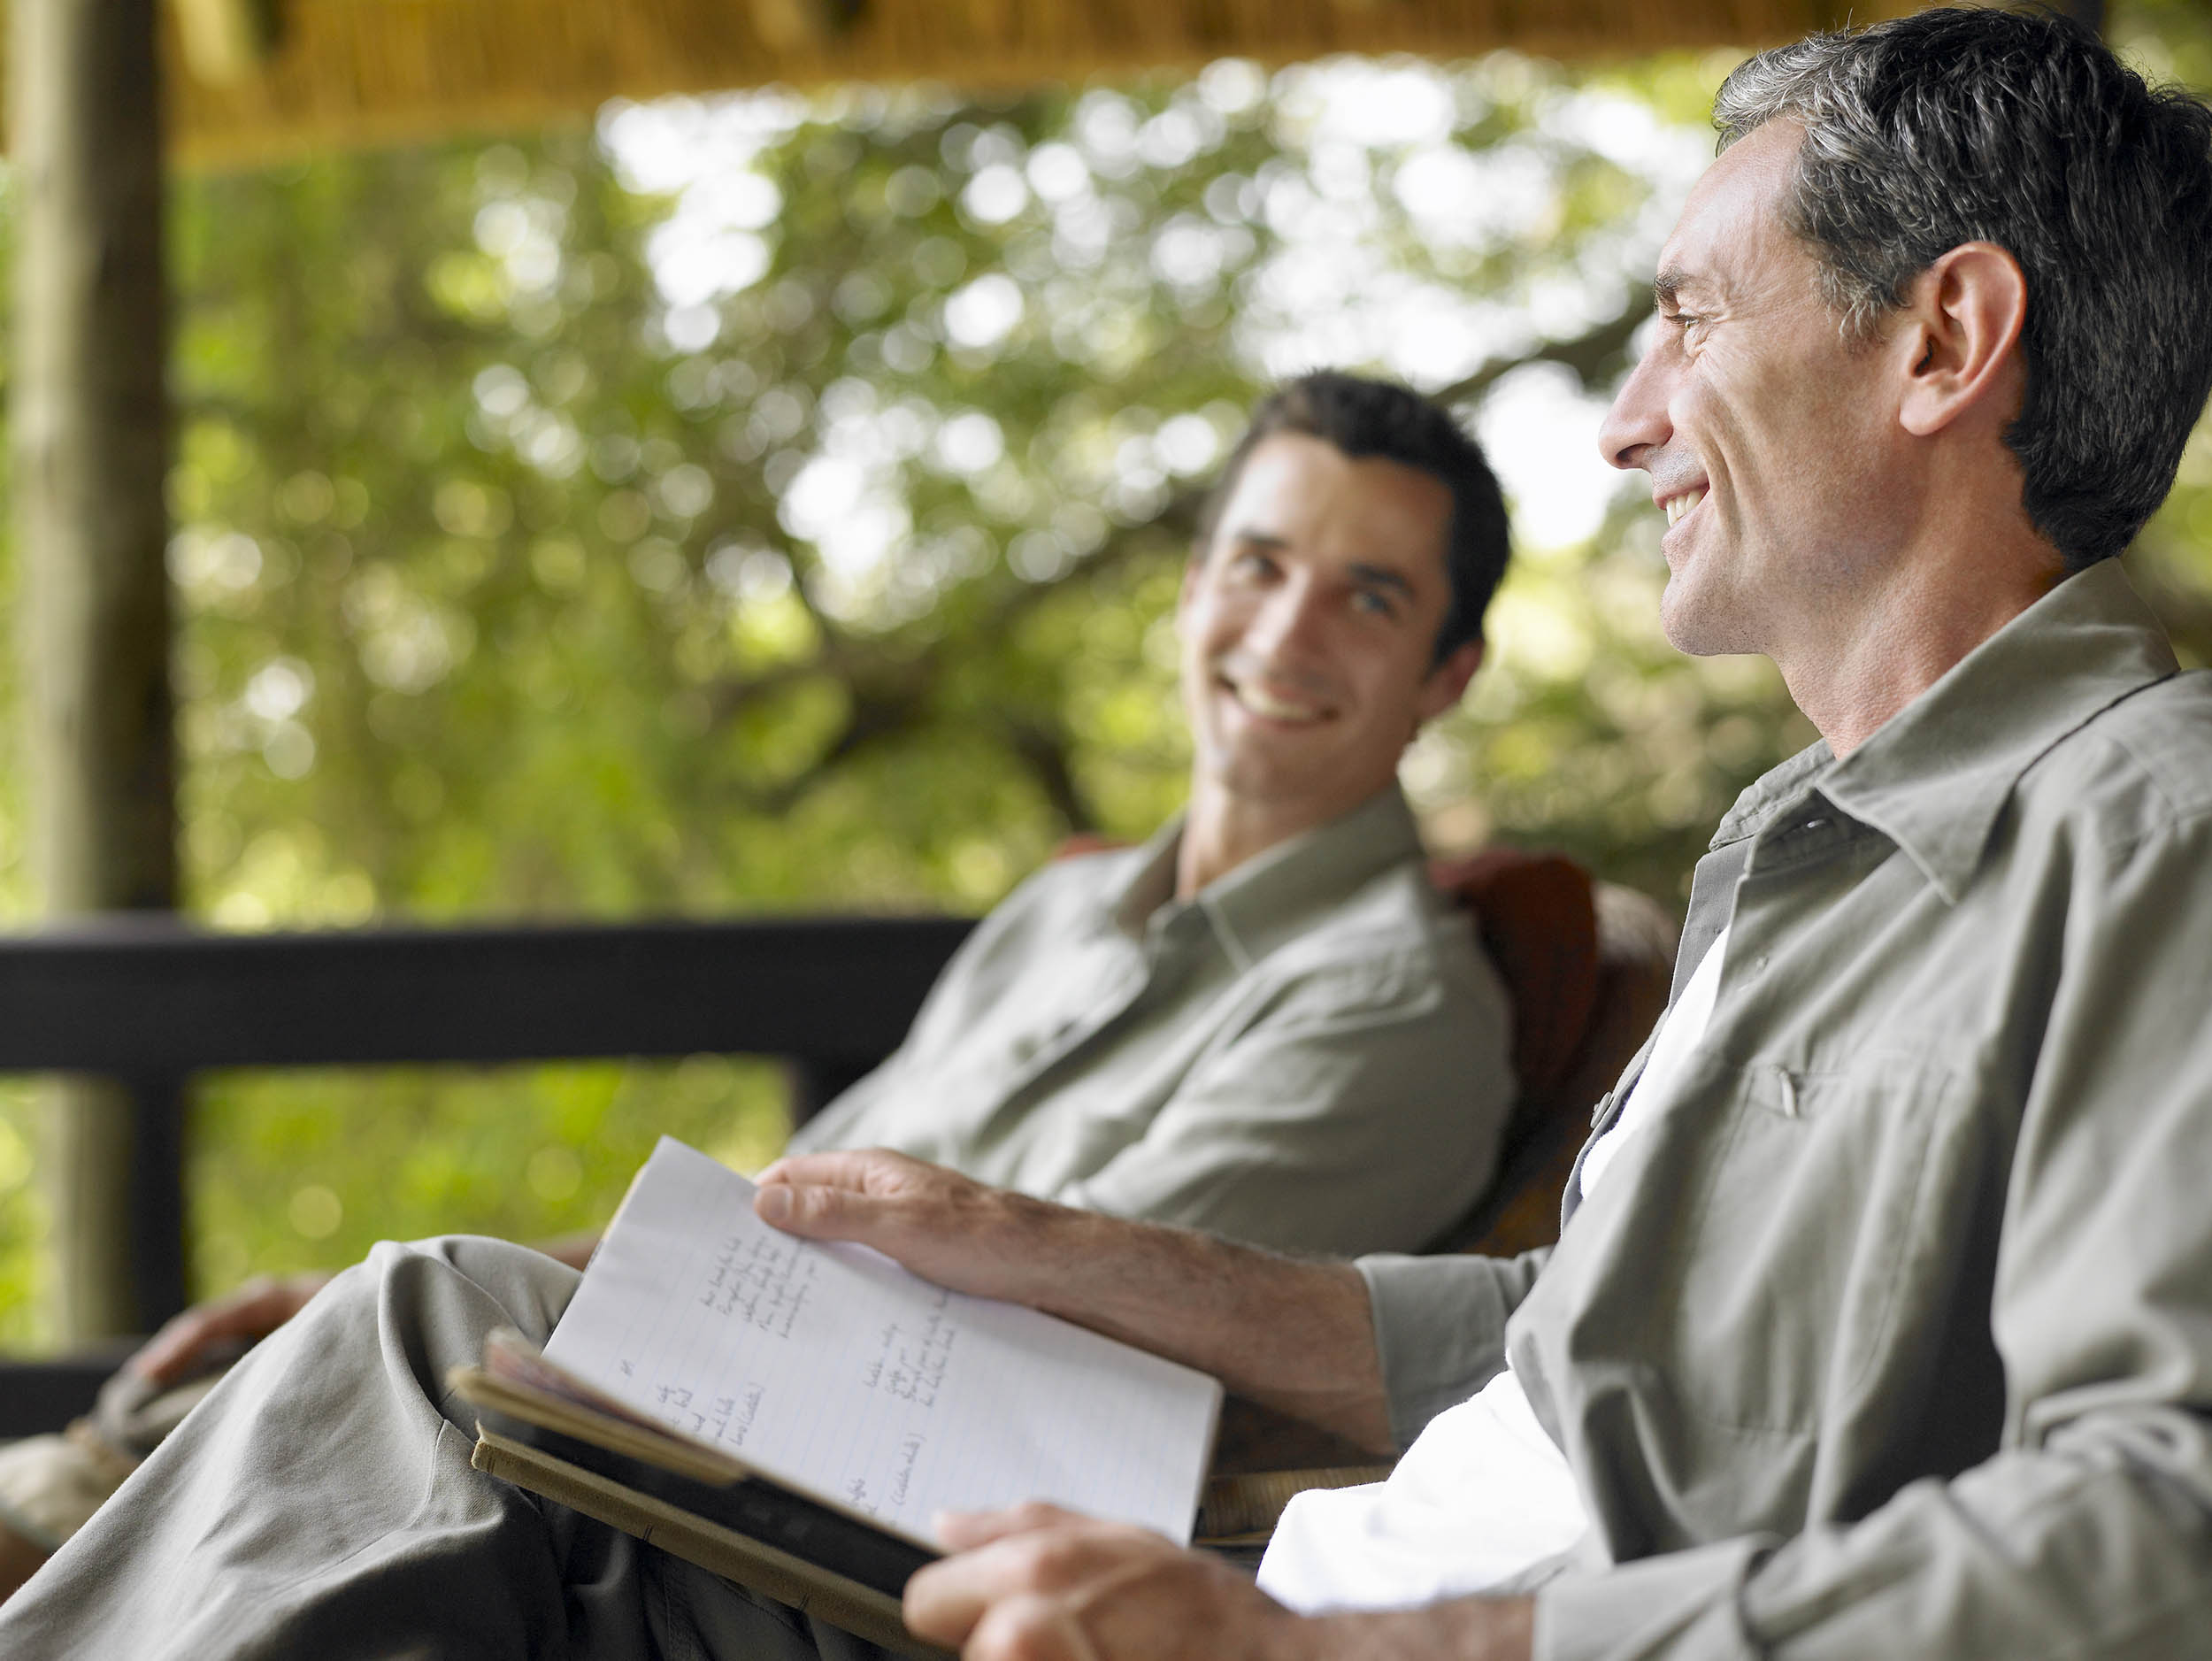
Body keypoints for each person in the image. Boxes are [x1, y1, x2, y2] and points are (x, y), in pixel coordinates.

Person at [14, 8, 2212, 1657]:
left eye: (1685, 315)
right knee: (433, 1389)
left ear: (1942, 339)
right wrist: (1056, 1248)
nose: (1630, 418)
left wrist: (1325, 1650)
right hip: (1247, 1584)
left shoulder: (2147, 829)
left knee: (433, 1371)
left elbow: (2155, 1530)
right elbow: (1586, 1346)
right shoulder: (1803, 850)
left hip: (1278, 1615)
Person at [0, 371, 1524, 1597]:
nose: (1284, 631)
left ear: (1446, 676)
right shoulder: (1066, 909)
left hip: (879, 1504)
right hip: (724, 1388)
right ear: (1193, 585)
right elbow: (775, 1205)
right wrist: (527, 1268)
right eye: (1258, 563)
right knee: (318, 1338)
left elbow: (1095, 1359)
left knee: (417, 1312)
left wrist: (518, 1302)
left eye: (1369, 598)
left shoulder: (1398, 1009)